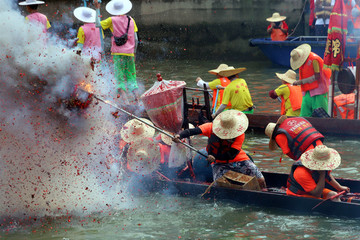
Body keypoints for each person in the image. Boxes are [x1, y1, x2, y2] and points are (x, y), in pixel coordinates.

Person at [173, 110, 266, 189]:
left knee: (260, 179)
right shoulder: (211, 127)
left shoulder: (240, 133)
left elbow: (232, 154)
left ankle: (263, 192)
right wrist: (180, 136)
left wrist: (214, 156)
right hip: (219, 163)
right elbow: (192, 131)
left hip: (239, 159)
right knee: (218, 186)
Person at [94, 0, 139, 102]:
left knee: (119, 78)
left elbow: (97, 25)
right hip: (130, 53)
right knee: (132, 76)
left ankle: (126, 102)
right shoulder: (131, 20)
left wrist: (97, 8)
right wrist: (134, 52)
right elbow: (136, 39)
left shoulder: (112, 20)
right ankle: (138, 101)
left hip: (118, 53)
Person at [290, 44, 331, 117]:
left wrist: (301, 82)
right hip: (307, 90)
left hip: (319, 89)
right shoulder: (303, 63)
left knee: (320, 112)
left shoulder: (314, 60)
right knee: (304, 112)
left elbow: (317, 76)